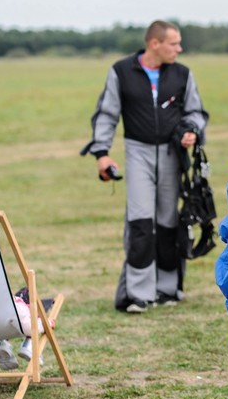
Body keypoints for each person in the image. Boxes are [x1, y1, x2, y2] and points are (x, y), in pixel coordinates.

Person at [81, 20, 209, 313]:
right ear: (155, 43)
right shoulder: (121, 71)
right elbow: (107, 114)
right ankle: (137, 294)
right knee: (140, 221)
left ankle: (167, 288)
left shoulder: (182, 74)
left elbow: (196, 112)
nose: (179, 48)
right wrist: (101, 152)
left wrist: (191, 130)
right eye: (174, 43)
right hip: (136, 151)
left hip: (171, 154)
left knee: (168, 221)